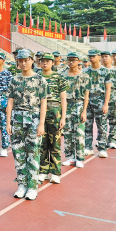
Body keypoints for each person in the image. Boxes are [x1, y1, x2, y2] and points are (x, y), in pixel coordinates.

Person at [6, 49, 47, 200]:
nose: (23, 63)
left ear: (32, 61)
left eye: (26, 60)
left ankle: (32, 187)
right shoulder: (14, 80)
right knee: (18, 153)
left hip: (34, 118)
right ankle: (22, 184)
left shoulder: (39, 80)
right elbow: (10, 102)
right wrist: (8, 121)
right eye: (20, 61)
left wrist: (41, 123)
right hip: (17, 119)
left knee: (33, 153)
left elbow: (44, 103)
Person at [38, 53, 68, 184]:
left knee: (55, 143)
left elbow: (63, 98)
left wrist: (63, 117)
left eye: (47, 61)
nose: (45, 63)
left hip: (55, 111)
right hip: (40, 111)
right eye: (42, 61)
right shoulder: (36, 77)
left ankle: (55, 172)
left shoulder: (58, 77)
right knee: (42, 143)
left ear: (52, 62)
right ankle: (43, 170)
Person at [62, 52, 90, 168]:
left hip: (78, 104)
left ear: (78, 61)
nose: (71, 62)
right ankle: (70, 157)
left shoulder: (84, 76)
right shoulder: (63, 75)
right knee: (67, 133)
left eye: (74, 60)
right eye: (69, 60)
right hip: (66, 105)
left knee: (79, 133)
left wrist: (84, 111)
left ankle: (79, 158)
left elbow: (87, 94)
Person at [84, 49, 112, 158]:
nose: (91, 58)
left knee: (102, 125)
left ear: (98, 57)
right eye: (90, 56)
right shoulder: (85, 72)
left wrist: (106, 104)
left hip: (100, 99)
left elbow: (108, 89)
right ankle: (88, 147)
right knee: (87, 125)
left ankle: (102, 148)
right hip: (88, 99)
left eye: (93, 56)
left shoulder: (105, 71)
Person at [101, 50, 116, 151]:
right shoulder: (99, 71)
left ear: (111, 58)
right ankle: (103, 141)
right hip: (100, 98)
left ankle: (113, 140)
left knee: (113, 120)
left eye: (106, 56)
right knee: (102, 121)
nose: (104, 58)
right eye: (102, 57)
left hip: (113, 98)